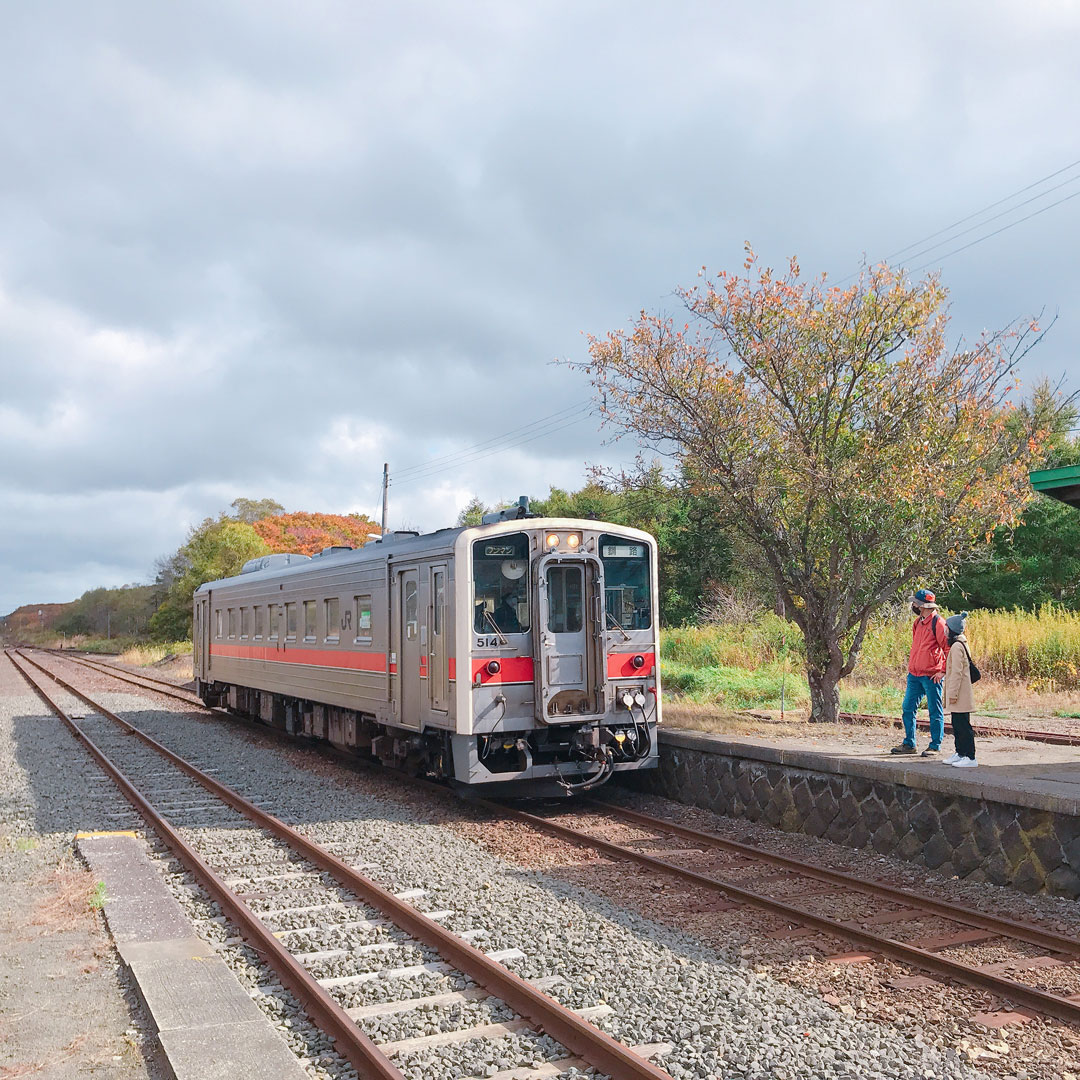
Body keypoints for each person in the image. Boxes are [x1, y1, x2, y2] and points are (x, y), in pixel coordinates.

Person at [891, 588, 949, 756]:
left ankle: (935, 745)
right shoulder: (917, 623)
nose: (913, 605)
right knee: (907, 708)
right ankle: (909, 744)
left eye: (915, 603)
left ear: (923, 605)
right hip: (914, 675)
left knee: (934, 711)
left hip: (932, 676)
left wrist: (942, 671)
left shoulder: (938, 623)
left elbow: (947, 648)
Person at [944, 611, 977, 768]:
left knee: (963, 725)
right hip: (960, 692)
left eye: (946, 627)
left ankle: (970, 756)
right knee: (957, 724)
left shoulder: (957, 646)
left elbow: (956, 672)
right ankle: (960, 753)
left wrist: (952, 694)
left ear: (952, 629)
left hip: (960, 693)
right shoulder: (960, 644)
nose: (944, 629)